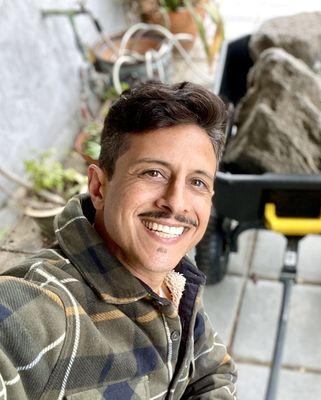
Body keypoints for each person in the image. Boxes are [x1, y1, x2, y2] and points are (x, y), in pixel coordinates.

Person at [0, 82, 237, 399]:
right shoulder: (45, 308)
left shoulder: (176, 276)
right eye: (153, 173)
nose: (177, 203)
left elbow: (213, 372)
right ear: (99, 188)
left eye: (197, 182)